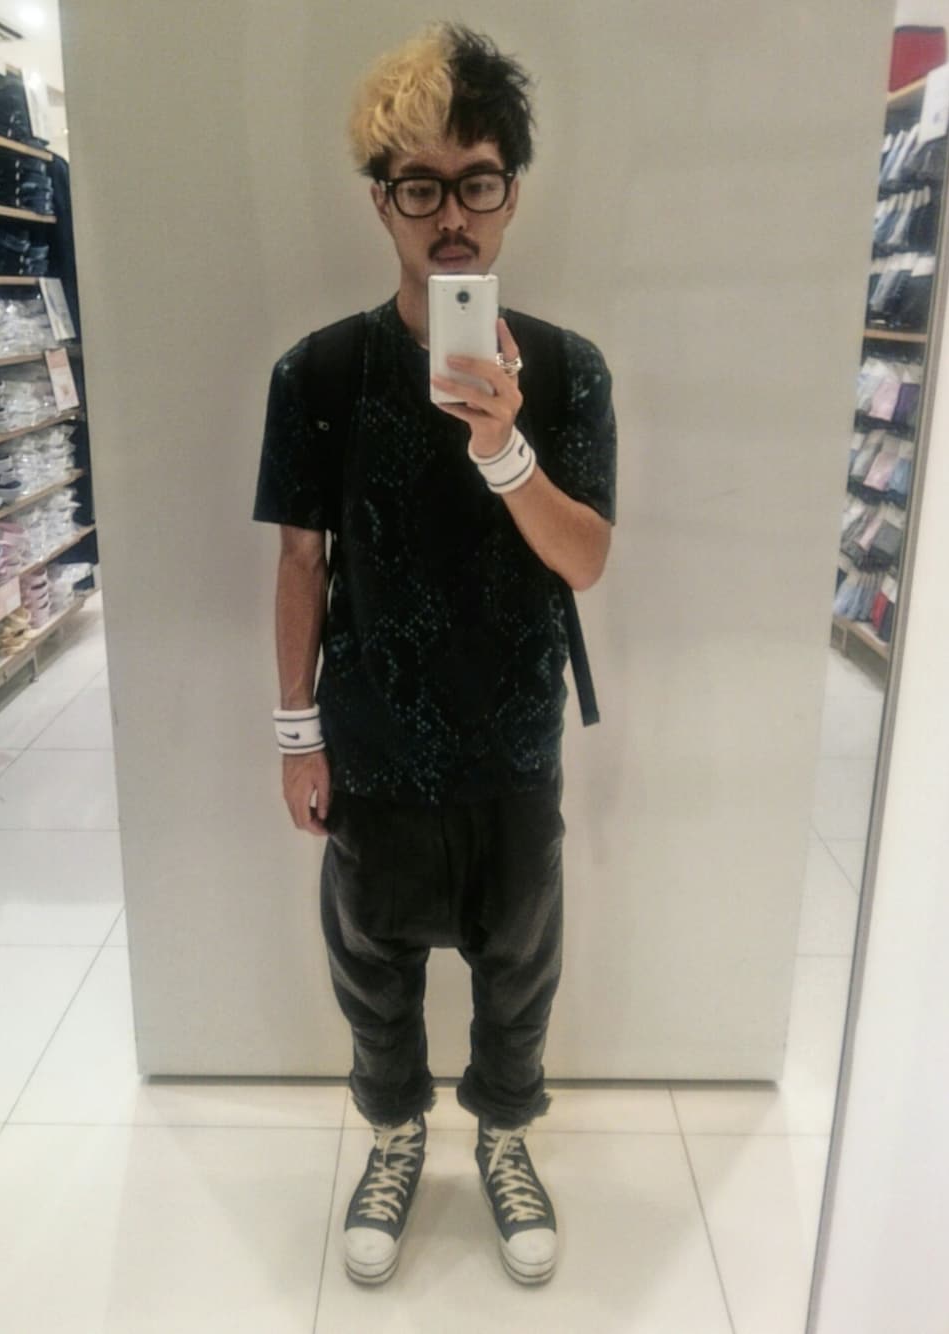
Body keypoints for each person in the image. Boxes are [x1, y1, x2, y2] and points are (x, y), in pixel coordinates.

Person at [253, 21, 616, 1287]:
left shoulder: (565, 371)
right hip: (371, 741)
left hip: (513, 737)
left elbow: (585, 559)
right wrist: (295, 734)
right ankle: (397, 1135)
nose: (450, 215)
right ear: (381, 201)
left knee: (520, 963)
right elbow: (301, 561)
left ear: (512, 191)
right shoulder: (318, 373)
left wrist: (504, 448)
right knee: (373, 964)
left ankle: (505, 1137)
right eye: (420, 186)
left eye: (476, 181)